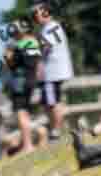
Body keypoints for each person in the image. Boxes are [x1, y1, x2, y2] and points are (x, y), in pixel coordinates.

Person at [31, 1, 74, 140]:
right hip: (52, 72)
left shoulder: (52, 27)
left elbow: (45, 47)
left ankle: (55, 132)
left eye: (36, 13)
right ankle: (55, 130)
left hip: (52, 73)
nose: (35, 16)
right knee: (50, 102)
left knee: (52, 102)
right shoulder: (48, 28)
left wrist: (37, 63)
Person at [4, 20, 43, 154]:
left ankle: (28, 145)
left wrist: (8, 56)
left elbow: (12, 64)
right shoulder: (34, 42)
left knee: (21, 112)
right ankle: (41, 134)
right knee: (29, 112)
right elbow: (37, 65)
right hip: (32, 81)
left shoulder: (16, 46)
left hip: (20, 82)